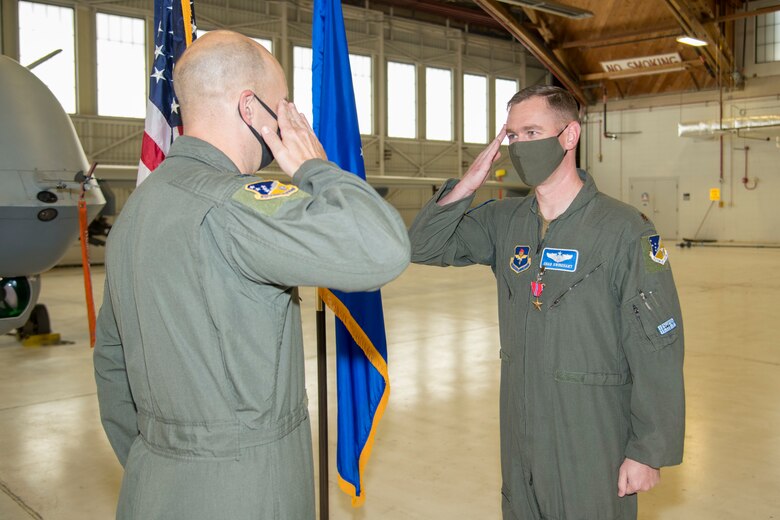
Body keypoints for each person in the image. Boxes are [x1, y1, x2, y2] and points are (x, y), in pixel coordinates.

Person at [93, 30, 410, 520]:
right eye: (282, 107)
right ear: (250, 108)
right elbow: (383, 248)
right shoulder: (236, 204)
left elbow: (112, 367)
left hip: (152, 486)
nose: (289, 121)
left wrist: (169, 459)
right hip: (249, 491)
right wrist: (315, 168)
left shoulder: (137, 209)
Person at [408, 85, 684, 519]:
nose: (520, 146)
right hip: (521, 432)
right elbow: (422, 245)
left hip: (591, 434)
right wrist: (469, 182)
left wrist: (648, 450)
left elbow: (657, 345)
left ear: (569, 135)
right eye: (512, 136)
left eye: (532, 132)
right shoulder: (504, 221)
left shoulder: (624, 229)